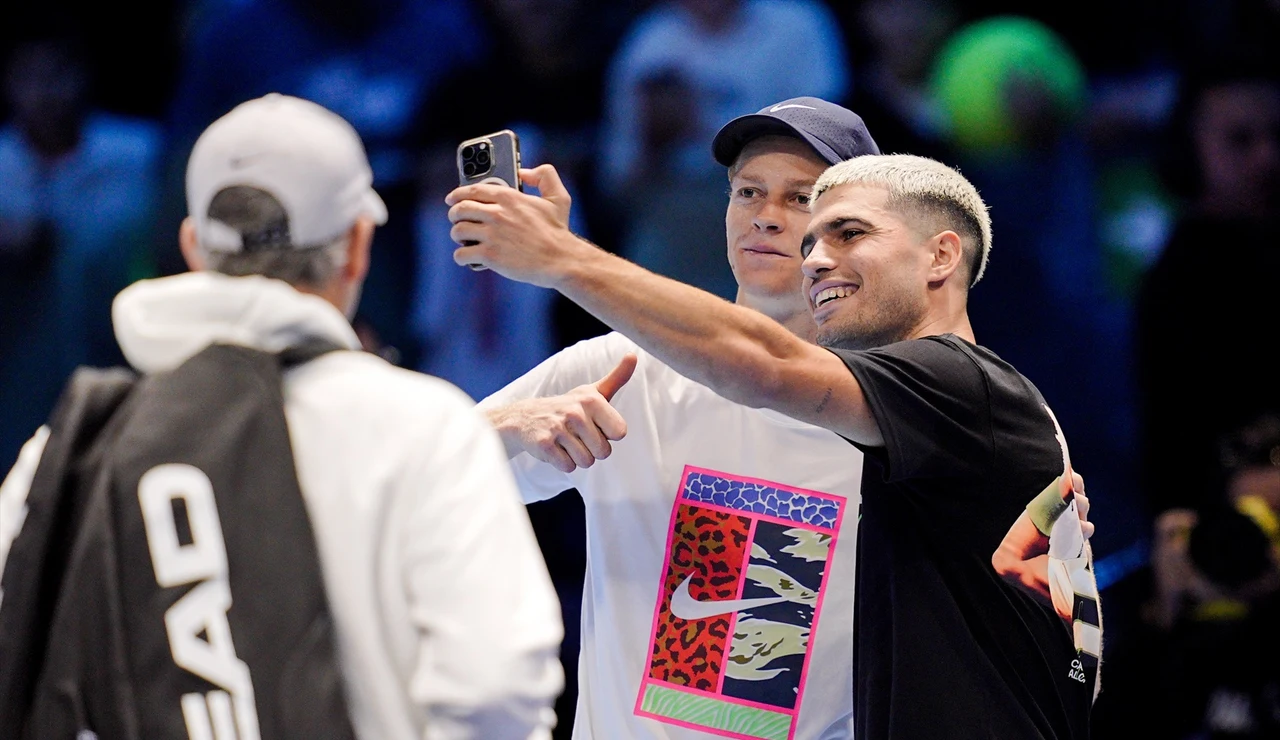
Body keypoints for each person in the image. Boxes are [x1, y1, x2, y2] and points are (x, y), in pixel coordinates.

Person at [446, 152, 1101, 737]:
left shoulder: (961, 393)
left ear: (939, 255)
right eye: (748, 192)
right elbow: (1079, 663)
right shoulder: (948, 435)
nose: (810, 251)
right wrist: (505, 426)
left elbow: (758, 364)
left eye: (838, 225)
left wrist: (561, 257)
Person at [0, 93, 564, 739]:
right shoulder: (426, 425)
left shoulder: (76, 442)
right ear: (357, 244)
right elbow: (493, 692)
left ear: (193, 246)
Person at [479, 98, 877, 740]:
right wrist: (513, 423)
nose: (766, 218)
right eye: (749, 192)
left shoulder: (894, 415)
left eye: (800, 198)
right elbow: (411, 478)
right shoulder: (621, 369)